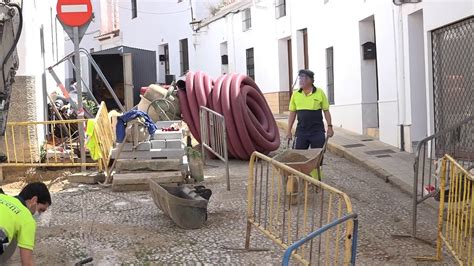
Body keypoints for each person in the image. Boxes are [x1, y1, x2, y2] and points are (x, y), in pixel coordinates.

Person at [287, 69, 334, 178]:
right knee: (298, 156)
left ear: (310, 80)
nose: (300, 80)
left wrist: (330, 127)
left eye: (303, 77)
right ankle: (301, 178)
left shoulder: (320, 93)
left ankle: (316, 180)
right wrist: (289, 131)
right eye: (300, 78)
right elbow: (292, 114)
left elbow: (326, 111)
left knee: (317, 157)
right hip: (301, 132)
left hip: (317, 132)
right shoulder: (296, 94)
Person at [0, 182, 51, 265]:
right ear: (34, 200)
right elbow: (27, 263)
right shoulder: (27, 218)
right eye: (41, 210)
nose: (40, 214)